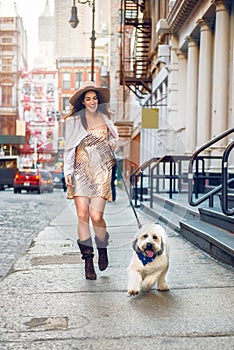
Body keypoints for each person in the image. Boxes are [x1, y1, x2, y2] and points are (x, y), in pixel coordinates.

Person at [63, 81, 118, 280]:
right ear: (83, 102)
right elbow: (69, 148)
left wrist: (111, 145)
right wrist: (67, 171)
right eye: (88, 99)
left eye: (95, 98)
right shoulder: (74, 121)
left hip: (101, 170)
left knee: (96, 216)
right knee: (82, 215)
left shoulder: (106, 118)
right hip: (80, 169)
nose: (92, 101)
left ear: (98, 100)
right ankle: (88, 260)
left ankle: (102, 245)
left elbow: (114, 141)